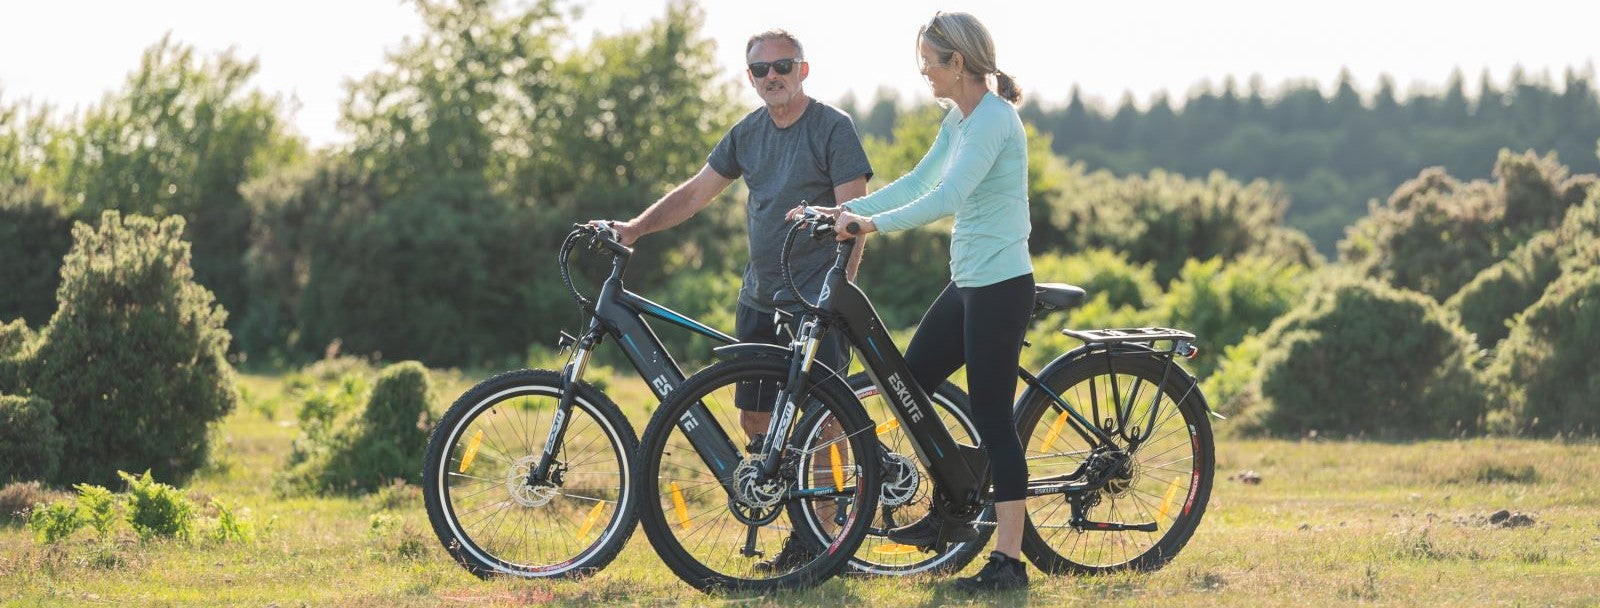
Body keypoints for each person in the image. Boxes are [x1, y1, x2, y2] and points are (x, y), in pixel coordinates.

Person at [593, 28, 872, 572]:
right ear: (750, 78)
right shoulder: (746, 133)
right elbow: (697, 192)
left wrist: (838, 294)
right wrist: (634, 228)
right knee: (756, 419)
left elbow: (853, 218)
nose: (772, 77)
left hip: (815, 303)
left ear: (803, 71)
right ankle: (799, 520)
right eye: (761, 70)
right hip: (760, 299)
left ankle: (827, 539)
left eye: (783, 67)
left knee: (823, 422)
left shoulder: (833, 128)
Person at [791, 11, 1033, 592]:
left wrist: (868, 228)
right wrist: (841, 211)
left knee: (994, 415)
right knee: (910, 385)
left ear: (958, 62)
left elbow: (948, 196)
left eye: (929, 60)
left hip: (1001, 285)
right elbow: (918, 181)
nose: (922, 70)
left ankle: (1009, 563)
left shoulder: (993, 120)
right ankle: (954, 502)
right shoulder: (958, 118)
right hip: (968, 282)